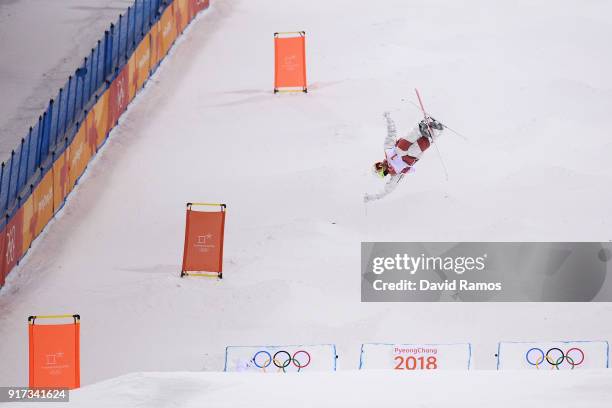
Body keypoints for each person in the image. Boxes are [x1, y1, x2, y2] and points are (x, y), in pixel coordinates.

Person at [364, 111, 444, 202]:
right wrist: (373, 197)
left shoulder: (388, 150)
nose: (382, 166)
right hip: (413, 155)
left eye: (378, 165)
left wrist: (388, 119)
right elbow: (387, 190)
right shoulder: (396, 175)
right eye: (380, 169)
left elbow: (391, 133)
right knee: (409, 152)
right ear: (384, 174)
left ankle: (421, 128)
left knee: (399, 150)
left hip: (405, 144)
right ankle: (433, 133)